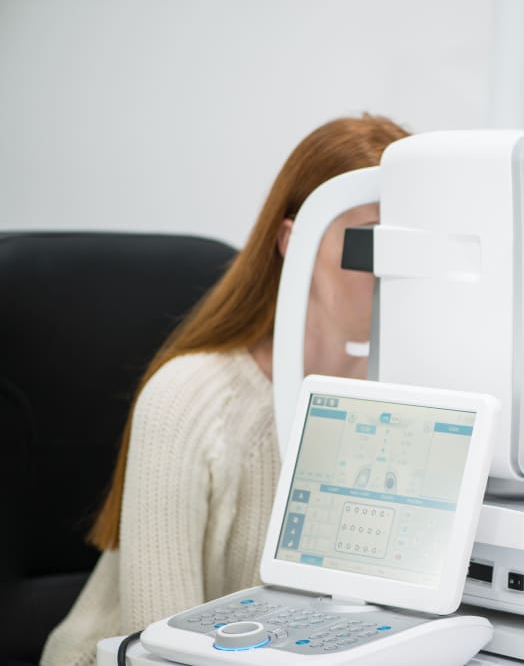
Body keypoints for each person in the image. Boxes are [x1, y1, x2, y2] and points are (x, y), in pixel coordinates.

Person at [41, 114, 410, 666]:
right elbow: (158, 648)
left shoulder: (403, 402)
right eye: (370, 241)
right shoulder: (186, 402)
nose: (391, 270)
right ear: (295, 241)